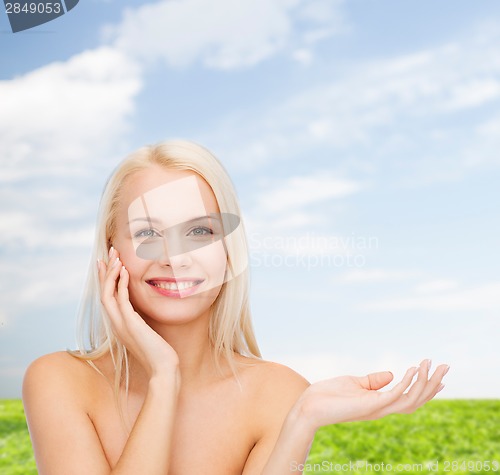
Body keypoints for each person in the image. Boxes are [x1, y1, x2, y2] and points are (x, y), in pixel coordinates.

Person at [22, 140, 449, 475]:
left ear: (230, 252)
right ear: (112, 251)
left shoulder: (279, 395)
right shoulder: (58, 382)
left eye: (199, 232)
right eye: (148, 233)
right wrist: (164, 378)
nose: (174, 257)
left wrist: (301, 420)